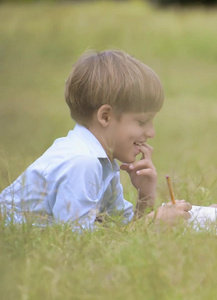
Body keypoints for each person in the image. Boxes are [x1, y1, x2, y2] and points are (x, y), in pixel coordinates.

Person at [0, 49, 192, 229]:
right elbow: (76, 243)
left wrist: (146, 197)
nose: (151, 133)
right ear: (105, 117)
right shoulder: (82, 162)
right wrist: (153, 224)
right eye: (142, 122)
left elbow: (119, 230)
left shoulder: (103, 161)